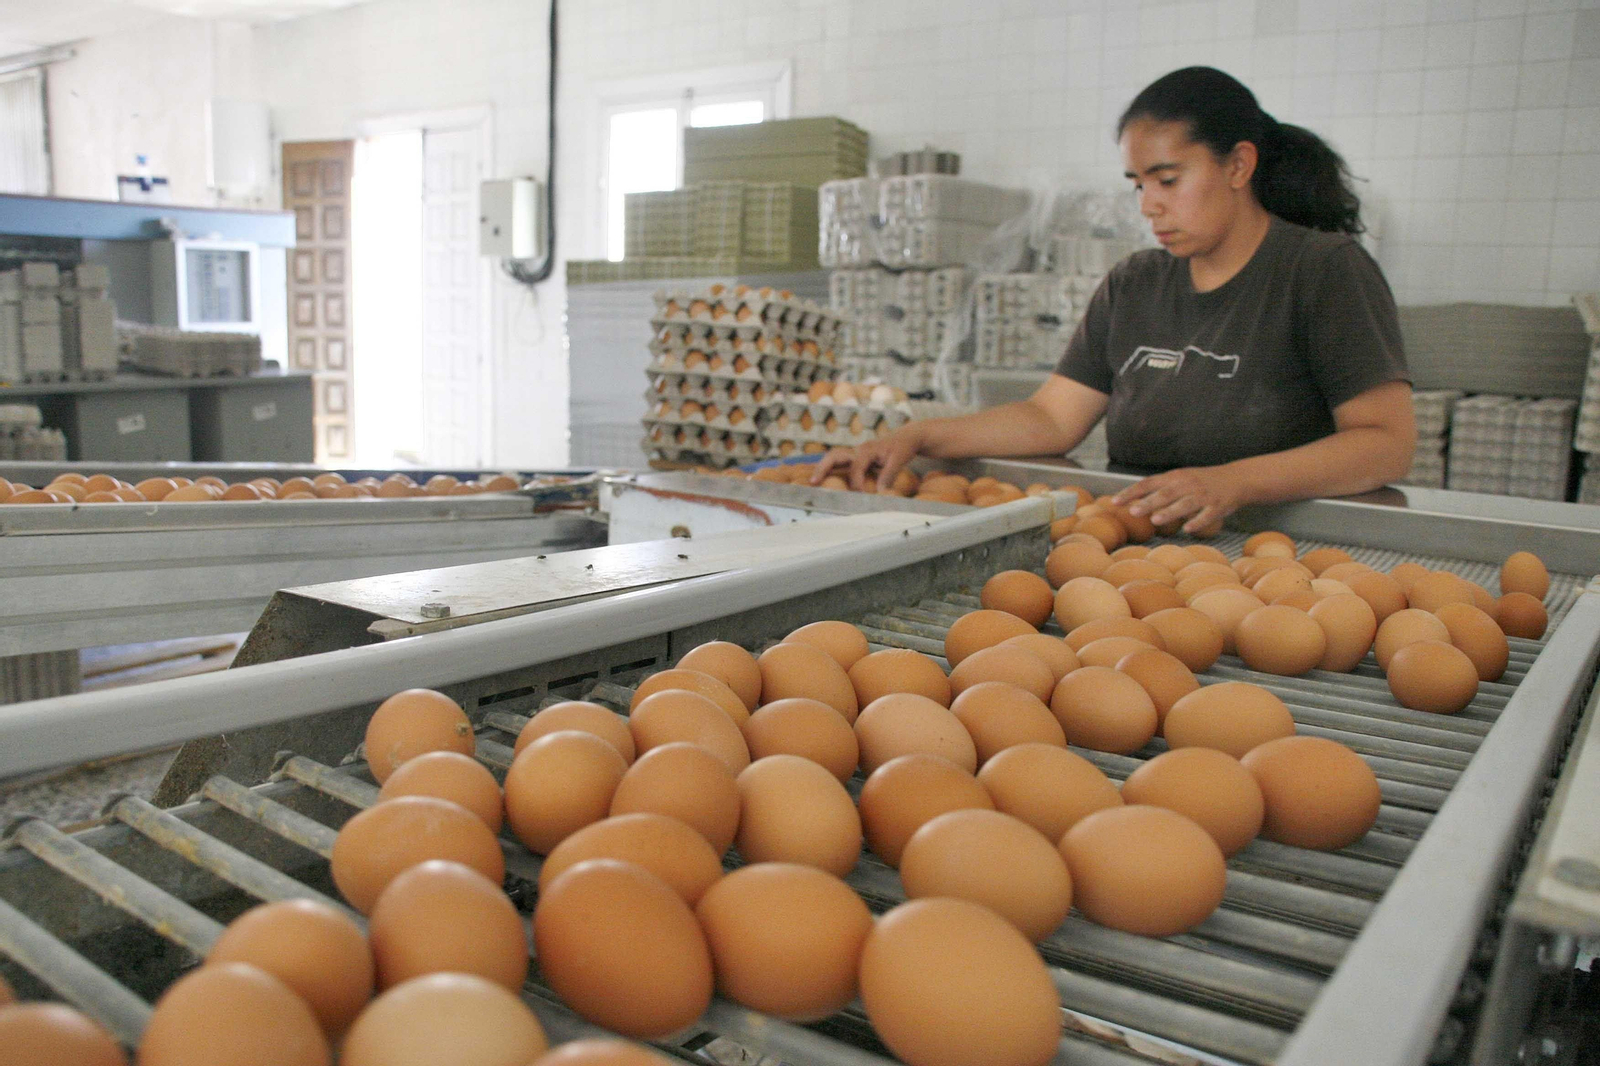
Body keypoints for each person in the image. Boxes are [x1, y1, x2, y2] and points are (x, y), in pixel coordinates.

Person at [815, 66, 1415, 536]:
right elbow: (1051, 419)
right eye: (1138, 184)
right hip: (1146, 548)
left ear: (1238, 165)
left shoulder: (1320, 271)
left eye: (1168, 179)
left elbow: (1385, 442)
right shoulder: (1135, 284)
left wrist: (1234, 483)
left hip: (1279, 558)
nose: (1148, 204)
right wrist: (921, 436)